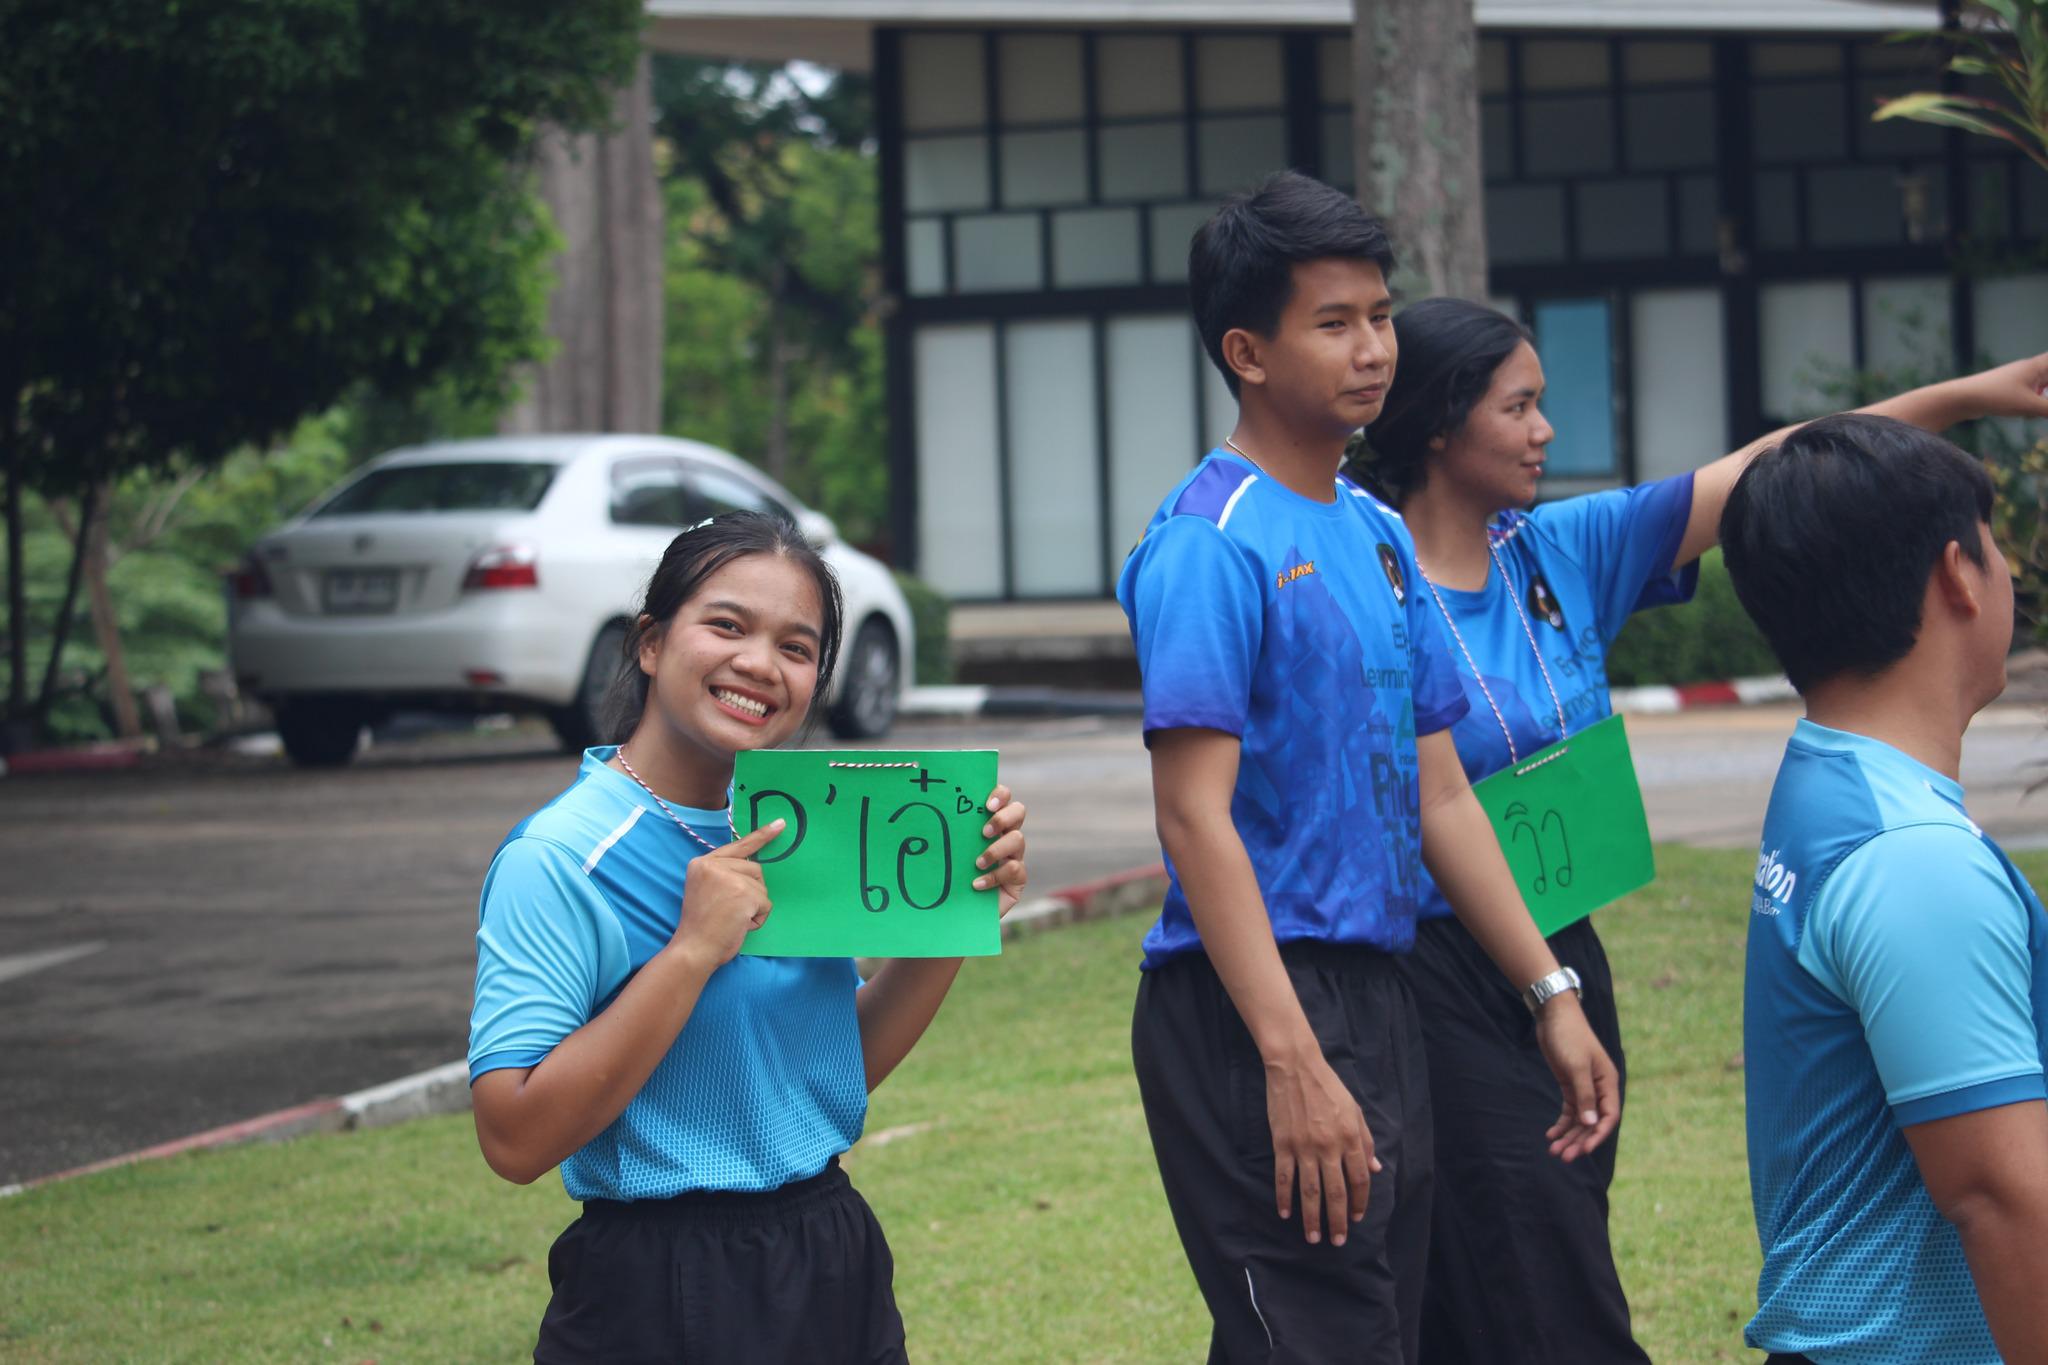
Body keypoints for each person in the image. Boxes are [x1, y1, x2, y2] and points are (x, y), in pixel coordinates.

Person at [1344, 298, 2048, 1364]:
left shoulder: (1557, 553)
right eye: (1519, 406)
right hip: (1441, 962)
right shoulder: (1367, 580)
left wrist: (1966, 397)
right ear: (1440, 425)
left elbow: (1785, 472)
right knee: (1539, 1278)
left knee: (1541, 1239)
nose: (1544, 431)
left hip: (1564, 946)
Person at [1117, 170, 1620, 1365]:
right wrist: (1288, 1061)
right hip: (1255, 1005)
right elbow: (1194, 822)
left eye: (1380, 315)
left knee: (1387, 1329)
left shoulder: (1375, 532)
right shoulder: (1204, 544)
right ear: (1245, 350)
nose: (1371, 349)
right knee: (1318, 1330)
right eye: (1332, 322)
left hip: (1384, 993)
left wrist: (1547, 994)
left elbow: (1440, 792)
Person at [466, 511, 1029, 1364]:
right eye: (726, 625)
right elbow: (513, 1139)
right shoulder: (559, 857)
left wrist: (954, 913)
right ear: (651, 642)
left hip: (829, 1248)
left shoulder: (801, 826)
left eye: (797, 648)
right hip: (656, 1281)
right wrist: (691, 953)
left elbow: (830, 1065)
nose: (760, 664)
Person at [1722, 414, 2048, 1364]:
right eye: (1995, 549)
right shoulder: (1911, 853)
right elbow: (1997, 1193)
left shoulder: (1830, 772)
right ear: (1957, 574)